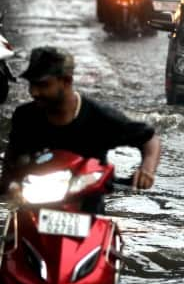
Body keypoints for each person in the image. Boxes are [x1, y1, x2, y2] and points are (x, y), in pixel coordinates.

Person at [0, 47, 161, 199]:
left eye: (43, 85)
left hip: (86, 209)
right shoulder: (25, 116)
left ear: (66, 81)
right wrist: (12, 186)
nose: (34, 92)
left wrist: (147, 169)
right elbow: (11, 161)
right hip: (34, 205)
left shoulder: (100, 117)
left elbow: (150, 140)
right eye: (31, 85)